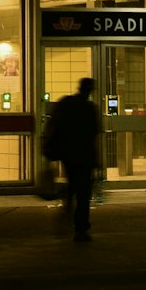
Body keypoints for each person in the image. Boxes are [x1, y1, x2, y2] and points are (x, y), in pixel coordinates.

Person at [44, 77, 101, 242]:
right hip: (85, 157)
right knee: (83, 195)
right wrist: (97, 161)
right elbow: (94, 135)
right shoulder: (90, 108)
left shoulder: (66, 103)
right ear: (90, 91)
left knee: (73, 186)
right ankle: (80, 228)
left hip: (68, 156)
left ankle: (67, 208)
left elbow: (54, 125)